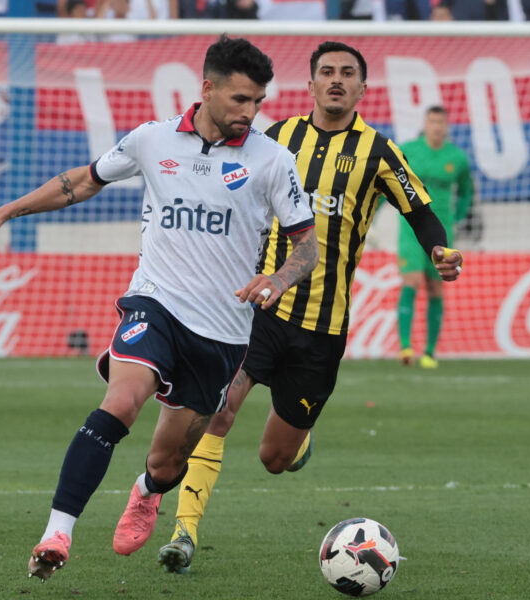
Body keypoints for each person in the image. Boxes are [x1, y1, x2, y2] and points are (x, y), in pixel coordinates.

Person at [0, 34, 319, 581]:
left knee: (167, 463)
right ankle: (57, 531)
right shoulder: (152, 140)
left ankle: (146, 491)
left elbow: (309, 244)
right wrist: (5, 212)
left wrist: (278, 278)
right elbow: (83, 181)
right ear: (206, 88)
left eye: (257, 102)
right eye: (239, 100)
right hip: (154, 304)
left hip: (223, 333)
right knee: (122, 404)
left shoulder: (273, 160)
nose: (249, 113)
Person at [115, 41, 464, 575]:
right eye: (326, 72)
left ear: (362, 89)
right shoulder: (276, 139)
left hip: (323, 328)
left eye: (348, 73)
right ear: (310, 84)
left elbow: (419, 211)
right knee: (219, 410)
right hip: (258, 309)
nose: (336, 80)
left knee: (274, 459)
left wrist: (438, 249)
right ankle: (184, 532)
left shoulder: (379, 152)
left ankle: (298, 445)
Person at [397, 106, 473, 368]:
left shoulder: (457, 158)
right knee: (412, 280)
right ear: (425, 124)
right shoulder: (409, 150)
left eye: (441, 122)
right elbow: (389, 186)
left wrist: (461, 217)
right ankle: (406, 347)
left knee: (435, 287)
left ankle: (429, 351)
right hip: (410, 228)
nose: (437, 127)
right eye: (432, 121)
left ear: (447, 126)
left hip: (442, 230)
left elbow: (466, 191)